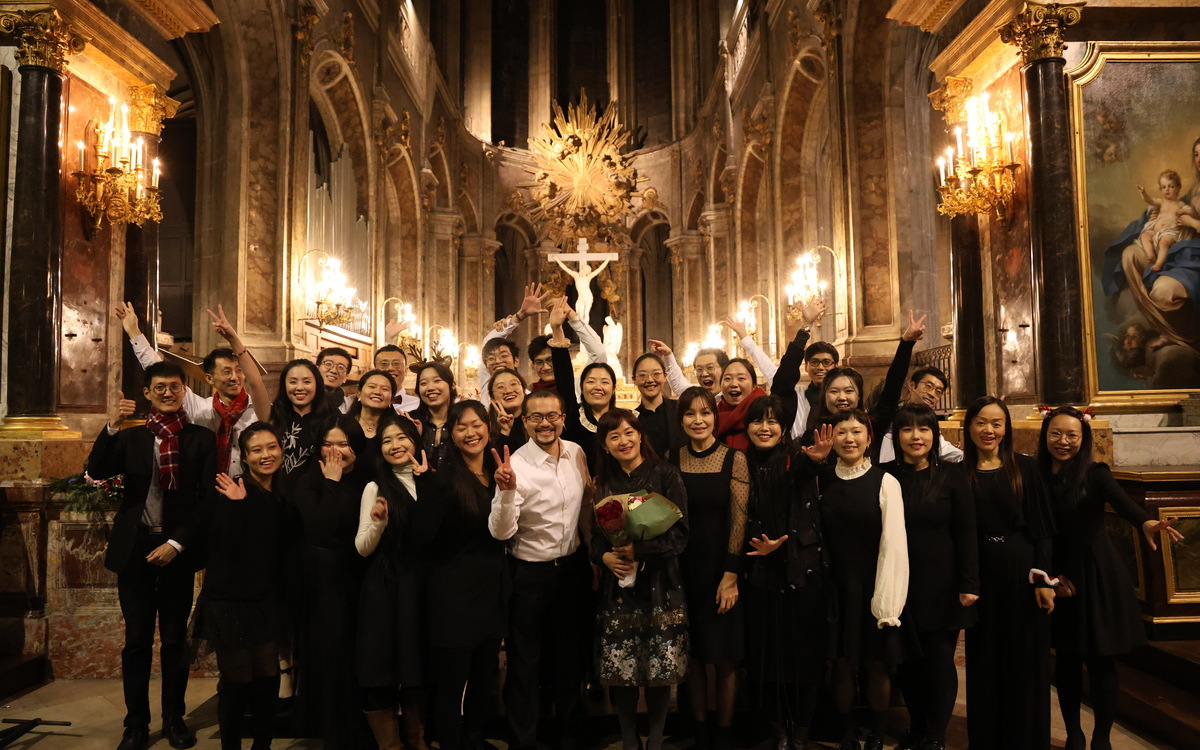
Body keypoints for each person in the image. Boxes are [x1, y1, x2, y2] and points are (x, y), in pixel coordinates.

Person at [87, 362, 217, 750]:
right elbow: (97, 468)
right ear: (146, 393)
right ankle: (136, 724)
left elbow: (206, 502)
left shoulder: (199, 439)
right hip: (135, 549)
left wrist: (177, 544)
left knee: (175, 640)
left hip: (176, 548)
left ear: (183, 392)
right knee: (137, 640)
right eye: (159, 387)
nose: (167, 393)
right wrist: (111, 426)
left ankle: (174, 719)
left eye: (174, 387)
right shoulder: (131, 439)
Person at [1038, 406, 1183, 750]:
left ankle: (1101, 738)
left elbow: (1122, 503)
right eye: (1056, 433)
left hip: (1095, 575)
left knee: (1101, 662)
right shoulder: (1034, 474)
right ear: (1045, 436)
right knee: (1068, 662)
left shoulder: (1094, 473)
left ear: (1083, 438)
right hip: (1056, 576)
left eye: (1072, 435)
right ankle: (1074, 734)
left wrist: (1146, 522)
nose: (1063, 441)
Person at [488, 389, 594, 750]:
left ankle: (570, 737)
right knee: (524, 664)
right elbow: (501, 532)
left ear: (564, 418)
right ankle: (523, 741)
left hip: (572, 571)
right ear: (525, 421)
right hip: (530, 575)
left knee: (569, 661)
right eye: (536, 417)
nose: (545, 423)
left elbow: (584, 509)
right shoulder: (515, 465)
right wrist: (505, 492)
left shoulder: (576, 453)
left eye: (552, 416)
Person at [588, 409, 689, 750]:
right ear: (604, 445)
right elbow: (595, 539)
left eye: (628, 433)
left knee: (659, 668)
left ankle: (657, 738)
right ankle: (630, 739)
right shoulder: (603, 483)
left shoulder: (665, 474)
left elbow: (680, 535)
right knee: (622, 668)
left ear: (640, 434)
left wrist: (639, 552)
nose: (623, 441)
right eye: (614, 436)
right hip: (619, 592)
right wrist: (603, 556)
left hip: (661, 586)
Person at [961, 396, 1057, 750]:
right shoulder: (959, 472)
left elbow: (1042, 527)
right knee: (984, 659)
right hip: (981, 572)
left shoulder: (1025, 468)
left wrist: (1044, 580)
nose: (989, 430)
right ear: (969, 427)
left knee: (1026, 660)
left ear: (1006, 429)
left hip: (1021, 570)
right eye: (981, 423)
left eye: (996, 423)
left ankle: (1027, 740)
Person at [739, 395, 835, 750]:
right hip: (760, 573)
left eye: (772, 422)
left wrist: (820, 460)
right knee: (768, 661)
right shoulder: (740, 463)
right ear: (747, 427)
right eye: (757, 421)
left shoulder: (797, 457)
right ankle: (778, 729)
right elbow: (736, 513)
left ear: (783, 429)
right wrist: (757, 540)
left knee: (805, 660)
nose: (764, 428)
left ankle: (802, 730)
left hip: (801, 573)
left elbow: (812, 472)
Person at [883, 405, 978, 750]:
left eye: (924, 429)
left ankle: (936, 735)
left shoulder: (952, 475)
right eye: (907, 430)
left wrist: (969, 584)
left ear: (935, 435)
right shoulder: (885, 475)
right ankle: (917, 726)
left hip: (943, 584)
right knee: (908, 663)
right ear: (897, 437)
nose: (916, 437)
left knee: (939, 661)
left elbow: (966, 532)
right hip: (900, 583)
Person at [416, 402, 509, 750]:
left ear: (488, 427)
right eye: (461, 428)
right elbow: (422, 538)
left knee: (484, 678)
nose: (471, 433)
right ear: (451, 435)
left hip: (491, 592)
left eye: (476, 425)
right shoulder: (443, 480)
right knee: (452, 683)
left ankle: (473, 739)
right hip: (454, 594)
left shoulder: (497, 470)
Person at [191, 423, 288, 750]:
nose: (266, 455)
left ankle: (262, 746)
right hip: (230, 601)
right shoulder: (233, 490)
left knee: (269, 679)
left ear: (281, 449)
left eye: (271, 447)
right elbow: (226, 546)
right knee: (237, 682)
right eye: (256, 450)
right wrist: (236, 505)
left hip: (264, 601)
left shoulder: (281, 493)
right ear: (244, 457)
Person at [820, 409, 910, 750]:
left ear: (869, 438)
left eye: (856, 432)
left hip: (874, 585)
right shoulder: (823, 479)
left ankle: (876, 731)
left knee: (876, 664)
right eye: (841, 432)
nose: (849, 439)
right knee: (841, 664)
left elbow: (894, 543)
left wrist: (886, 601)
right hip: (836, 589)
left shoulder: (885, 482)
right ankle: (845, 732)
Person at [669, 387, 747, 750]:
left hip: (722, 570)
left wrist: (730, 575)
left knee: (725, 657)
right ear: (681, 419)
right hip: (683, 568)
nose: (698, 420)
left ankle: (726, 731)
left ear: (715, 419)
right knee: (694, 656)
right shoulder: (672, 458)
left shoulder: (734, 459)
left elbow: (739, 519)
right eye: (690, 414)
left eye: (705, 414)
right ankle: (699, 730)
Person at [115, 302, 268, 475]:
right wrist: (134, 332)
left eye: (239, 371)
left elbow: (256, 383)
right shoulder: (201, 408)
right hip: (211, 490)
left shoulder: (258, 408)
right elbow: (158, 368)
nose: (234, 377)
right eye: (226, 372)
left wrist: (234, 339)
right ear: (209, 378)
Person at [294, 415, 373, 749]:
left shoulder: (369, 476)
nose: (336, 450)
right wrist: (333, 481)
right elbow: (321, 527)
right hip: (324, 575)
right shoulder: (308, 481)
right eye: (328, 443)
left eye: (343, 443)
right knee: (332, 654)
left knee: (362, 652)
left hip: (362, 572)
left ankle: (364, 727)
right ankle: (336, 733)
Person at [355, 414, 429, 750]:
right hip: (385, 585)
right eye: (386, 440)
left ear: (416, 440)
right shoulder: (375, 487)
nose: (395, 445)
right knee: (381, 668)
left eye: (402, 438)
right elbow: (362, 548)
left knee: (417, 667)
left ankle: (417, 740)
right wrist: (378, 524)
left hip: (423, 586)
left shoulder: (431, 480)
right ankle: (391, 746)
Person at [805, 311, 928, 457]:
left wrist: (906, 344)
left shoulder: (872, 425)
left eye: (849, 391)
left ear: (858, 397)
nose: (841, 397)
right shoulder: (814, 433)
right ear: (824, 396)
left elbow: (892, 388)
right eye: (834, 391)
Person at [720, 298, 828, 435]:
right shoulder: (796, 394)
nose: (820, 368)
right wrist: (806, 326)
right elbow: (781, 371)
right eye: (814, 362)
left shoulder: (840, 396)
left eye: (827, 362)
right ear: (806, 367)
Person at [548, 296, 616, 470]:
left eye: (605, 382)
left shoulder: (623, 420)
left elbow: (599, 353)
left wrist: (573, 316)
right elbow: (564, 377)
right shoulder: (573, 415)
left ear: (614, 389)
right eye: (591, 381)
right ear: (582, 387)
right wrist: (557, 329)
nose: (598, 387)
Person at [479, 283, 552, 406]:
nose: (497, 361)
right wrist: (520, 315)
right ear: (486, 367)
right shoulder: (487, 383)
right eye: (491, 358)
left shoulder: (530, 399)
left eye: (503, 356)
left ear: (516, 361)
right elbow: (488, 342)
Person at [877, 367, 964, 464]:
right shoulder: (890, 414)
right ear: (911, 385)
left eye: (938, 391)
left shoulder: (928, 420)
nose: (932, 394)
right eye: (928, 386)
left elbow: (947, 451)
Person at [1135, 170, 1196, 271]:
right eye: (1164, 187)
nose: (1167, 190)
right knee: (1145, 235)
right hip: (1156, 231)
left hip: (1170, 233)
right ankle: (1150, 255)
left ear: (1178, 188)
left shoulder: (1180, 204)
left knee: (1163, 243)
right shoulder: (1162, 202)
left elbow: (1191, 212)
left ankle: (1159, 263)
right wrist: (1143, 193)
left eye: (1171, 186)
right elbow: (1150, 200)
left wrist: (1182, 211)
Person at [632, 353, 686, 457]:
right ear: (634, 379)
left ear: (665, 376)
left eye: (656, 374)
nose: (650, 380)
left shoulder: (681, 410)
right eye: (643, 375)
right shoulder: (632, 418)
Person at [411, 361, 457, 470]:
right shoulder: (411, 420)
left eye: (437, 381)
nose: (430, 388)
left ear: (452, 385)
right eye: (423, 383)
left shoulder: (462, 420)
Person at [715, 358, 767, 451]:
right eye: (727, 378)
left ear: (754, 385)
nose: (734, 384)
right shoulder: (712, 417)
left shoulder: (766, 412)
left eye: (741, 378)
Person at [346, 370, 398, 449]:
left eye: (384, 389)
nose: (377, 392)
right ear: (359, 393)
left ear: (391, 399)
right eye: (372, 386)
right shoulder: (343, 425)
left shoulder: (397, 428)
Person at [488, 367, 528, 454]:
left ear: (524, 390)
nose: (508, 390)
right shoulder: (488, 427)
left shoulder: (538, 419)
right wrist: (505, 432)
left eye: (513, 384)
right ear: (493, 398)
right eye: (500, 387)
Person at [373, 345, 421, 412]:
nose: (390, 368)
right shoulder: (365, 403)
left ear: (406, 371)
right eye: (384, 364)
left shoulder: (419, 406)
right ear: (374, 371)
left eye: (396, 363)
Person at [316, 347, 355, 412]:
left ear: (345, 377)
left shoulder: (350, 407)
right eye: (328, 364)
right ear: (317, 369)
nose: (334, 371)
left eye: (341, 367)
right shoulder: (303, 399)